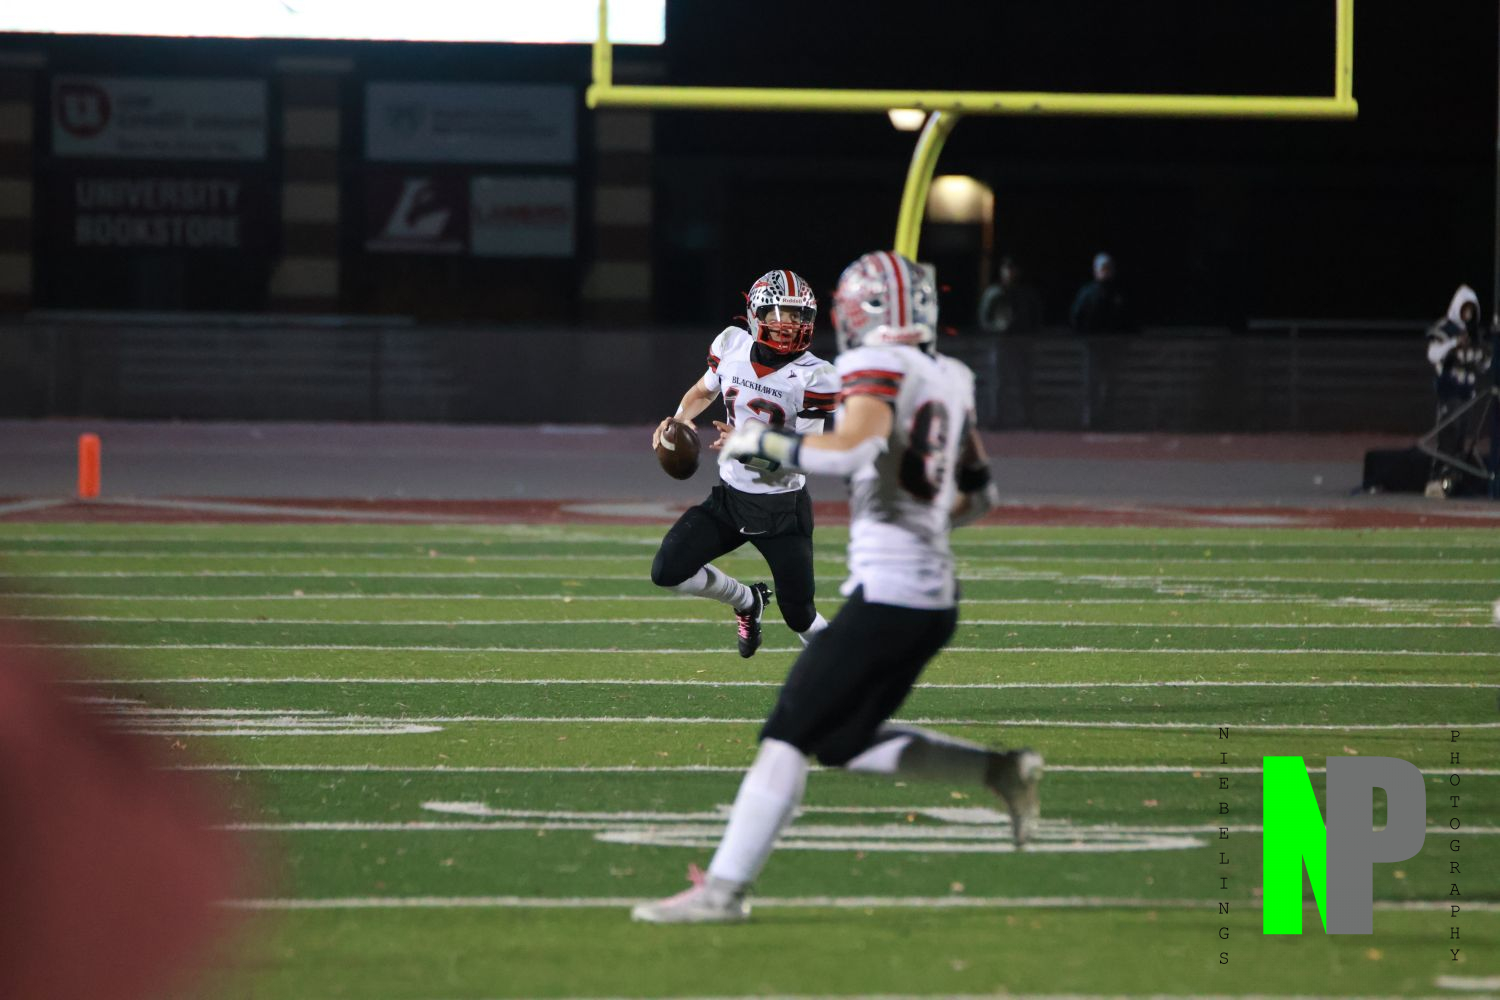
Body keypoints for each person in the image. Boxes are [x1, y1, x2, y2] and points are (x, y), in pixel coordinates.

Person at [631, 251, 1043, 925]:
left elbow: (848, 450)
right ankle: (999, 772)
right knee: (842, 741)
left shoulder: (866, 367)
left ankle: (723, 893)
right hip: (931, 596)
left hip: (891, 596)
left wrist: (761, 443)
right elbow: (981, 496)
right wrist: (921, 523)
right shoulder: (952, 376)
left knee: (787, 733)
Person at [649, 270, 839, 656]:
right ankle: (747, 601)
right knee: (667, 570)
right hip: (730, 500)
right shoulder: (731, 345)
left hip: (782, 511)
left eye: (798, 316)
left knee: (800, 616)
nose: (789, 325)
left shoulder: (815, 375)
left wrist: (747, 447)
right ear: (755, 314)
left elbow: (805, 458)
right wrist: (677, 421)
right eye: (779, 314)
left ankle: (851, 672)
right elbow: (704, 390)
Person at [1424, 284, 1494, 497]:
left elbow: (1484, 364)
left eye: (1472, 310)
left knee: (1462, 436)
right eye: (1465, 309)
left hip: (1467, 394)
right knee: (1448, 433)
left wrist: (1481, 354)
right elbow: (1433, 354)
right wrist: (1454, 343)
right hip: (1449, 391)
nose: (1468, 314)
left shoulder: (1475, 334)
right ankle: (1436, 478)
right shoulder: (1446, 328)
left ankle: (1452, 481)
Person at [977, 255, 1043, 336]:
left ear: (1018, 271)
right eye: (1005, 268)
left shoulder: (1027, 293)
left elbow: (1037, 320)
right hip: (996, 338)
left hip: (1024, 338)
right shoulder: (992, 293)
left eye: (1011, 268)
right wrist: (996, 329)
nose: (1008, 272)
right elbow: (983, 321)